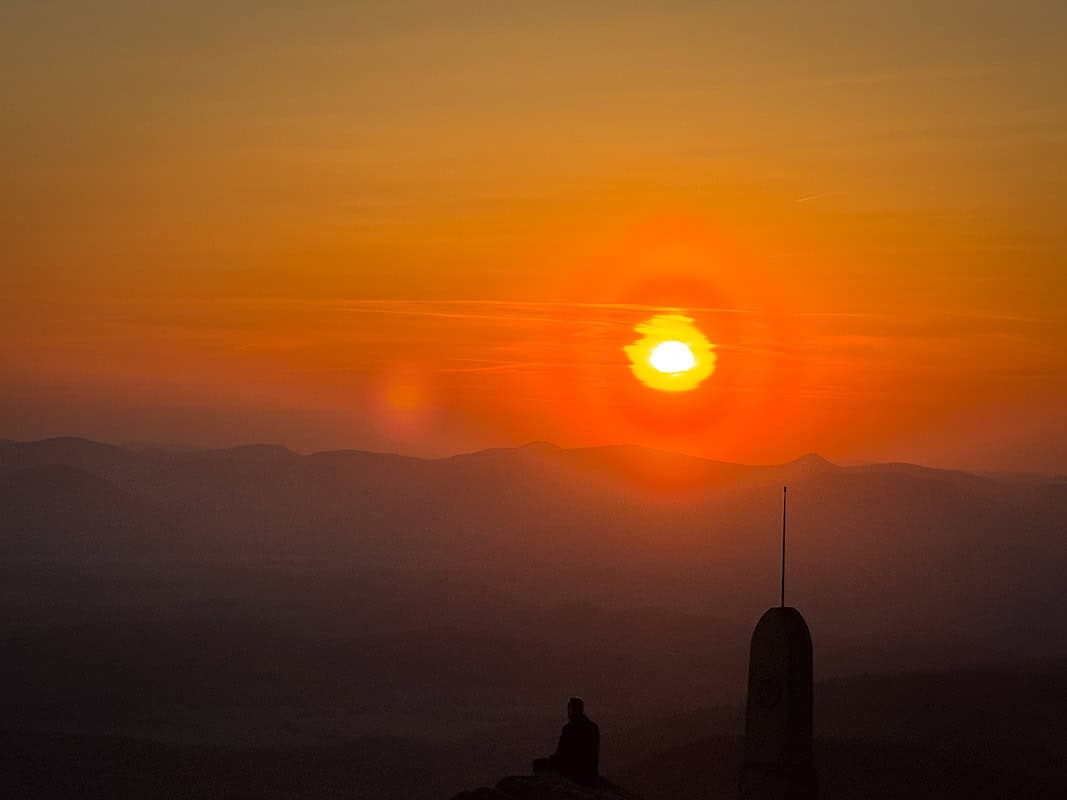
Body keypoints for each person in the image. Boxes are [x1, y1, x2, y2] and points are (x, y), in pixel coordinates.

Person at [532, 696, 600, 786]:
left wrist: (553, 760)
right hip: (589, 771)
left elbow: (563, 752)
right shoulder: (593, 727)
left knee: (537, 764)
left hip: (573, 769)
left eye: (570, 709)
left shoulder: (569, 729)